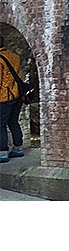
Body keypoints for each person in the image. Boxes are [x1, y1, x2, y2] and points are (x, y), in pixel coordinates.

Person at [0, 34, 24, 163]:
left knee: (0, 124)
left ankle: (2, 152)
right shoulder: (14, 56)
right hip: (17, 95)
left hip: (4, 97)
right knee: (13, 121)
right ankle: (18, 148)